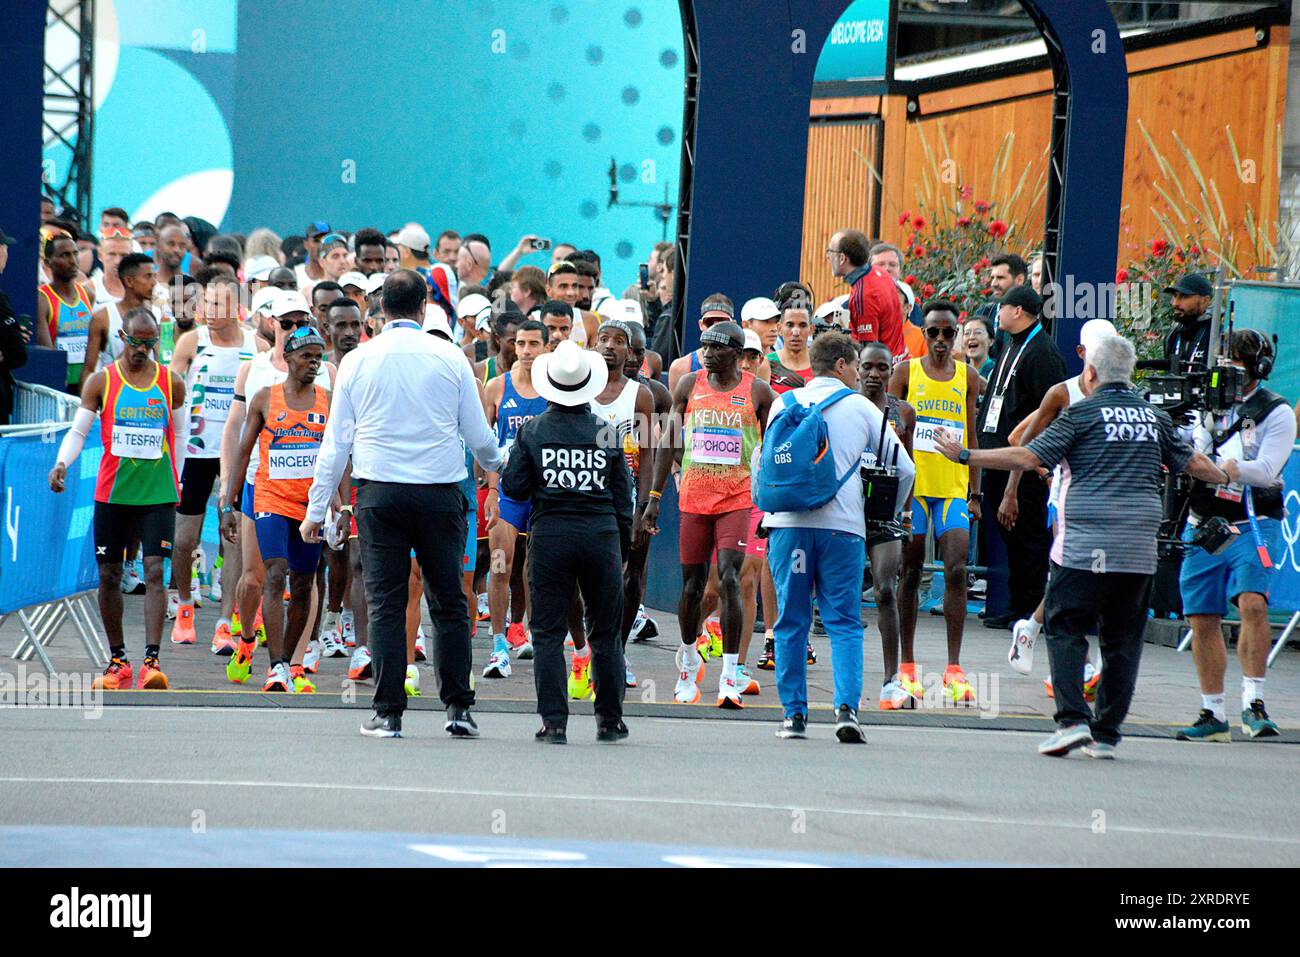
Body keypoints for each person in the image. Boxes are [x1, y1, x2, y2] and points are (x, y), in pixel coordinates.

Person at [933, 335, 1228, 758]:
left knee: (1067, 627)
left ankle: (1072, 721)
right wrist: (1231, 479)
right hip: (1138, 550)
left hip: (1085, 546)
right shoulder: (1156, 418)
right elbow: (1195, 464)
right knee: (1123, 641)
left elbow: (1027, 457)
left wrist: (965, 456)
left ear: (1089, 374)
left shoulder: (1081, 415)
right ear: (1130, 374)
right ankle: (1106, 733)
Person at [303, 270, 505, 739]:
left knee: (387, 602)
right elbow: (479, 440)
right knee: (450, 601)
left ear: (379, 312)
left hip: (379, 496)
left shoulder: (357, 361)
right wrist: (502, 464)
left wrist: (316, 511)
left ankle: (388, 712)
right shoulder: (451, 357)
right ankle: (457, 709)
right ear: (423, 308)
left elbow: (336, 444)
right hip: (439, 494)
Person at [762, 332, 914, 741]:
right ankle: (847, 711)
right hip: (843, 528)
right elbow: (906, 471)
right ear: (844, 365)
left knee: (791, 621)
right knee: (844, 621)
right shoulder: (862, 408)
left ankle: (794, 716)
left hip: (788, 526)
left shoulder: (784, 403)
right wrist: (886, 514)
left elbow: (767, 464)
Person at [498, 340, 634, 743]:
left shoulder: (533, 431)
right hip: (600, 535)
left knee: (547, 632)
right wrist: (621, 548)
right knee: (605, 632)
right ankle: (610, 721)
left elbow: (516, 489)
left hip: (551, 537)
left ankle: (554, 721)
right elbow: (622, 498)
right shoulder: (607, 433)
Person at [48, 307, 189, 690]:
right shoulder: (101, 381)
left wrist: (177, 480)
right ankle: (117, 660)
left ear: (155, 342)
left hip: (158, 493)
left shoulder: (170, 382)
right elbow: (78, 432)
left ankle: (152, 661)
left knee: (156, 572)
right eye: (134, 341)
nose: (141, 349)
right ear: (122, 338)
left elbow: (179, 434)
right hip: (113, 493)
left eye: (148, 343)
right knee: (109, 575)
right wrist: (62, 463)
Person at [642, 320, 776, 709]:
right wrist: (654, 496)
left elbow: (771, 450)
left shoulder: (757, 391)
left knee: (731, 580)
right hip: (694, 500)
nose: (707, 353)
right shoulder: (688, 385)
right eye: (703, 346)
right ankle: (686, 661)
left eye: (716, 347)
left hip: (736, 500)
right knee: (693, 587)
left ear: (736, 352)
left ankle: (729, 676)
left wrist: (769, 498)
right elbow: (669, 441)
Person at [1176, 329, 1296, 742]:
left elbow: (1268, 470)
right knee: (1202, 616)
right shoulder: (1207, 406)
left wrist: (1226, 468)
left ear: (1258, 367)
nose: (1230, 368)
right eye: (1226, 359)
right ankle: (1212, 712)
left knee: (1252, 605)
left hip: (1252, 523)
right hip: (1204, 522)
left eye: (1239, 361)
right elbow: (1192, 450)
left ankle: (1253, 700)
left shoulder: (1276, 411)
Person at [220, 292, 335, 686]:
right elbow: (241, 450)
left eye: (319, 356)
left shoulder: (328, 400)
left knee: (304, 582)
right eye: (308, 356)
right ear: (288, 358)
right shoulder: (264, 398)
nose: (315, 363)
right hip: (268, 497)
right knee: (271, 576)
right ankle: (273, 664)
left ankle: (290, 661)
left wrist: (341, 505)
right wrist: (227, 503)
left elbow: (338, 456)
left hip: (310, 504)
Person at [1005, 318, 1118, 699]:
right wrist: (1043, 472)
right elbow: (1020, 439)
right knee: (1074, 580)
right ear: (1083, 354)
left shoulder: (1124, 392)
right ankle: (1074, 667)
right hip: (1068, 504)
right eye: (1099, 353)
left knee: (1094, 581)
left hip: (1111, 505)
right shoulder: (1063, 393)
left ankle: (1033, 630)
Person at [888, 299, 983, 704]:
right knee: (909, 571)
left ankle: (954, 668)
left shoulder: (969, 377)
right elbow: (888, 433)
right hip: (914, 491)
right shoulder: (905, 372)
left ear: (956, 334)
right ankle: (907, 666)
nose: (941, 341)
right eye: (933, 333)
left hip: (952, 489)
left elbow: (972, 436)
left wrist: (975, 493)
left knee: (957, 568)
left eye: (949, 332)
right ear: (923, 334)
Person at [167, 275, 266, 651]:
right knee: (184, 539)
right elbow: (171, 390)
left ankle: (226, 620)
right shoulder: (192, 341)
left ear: (237, 308)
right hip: (196, 451)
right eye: (206, 304)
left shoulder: (255, 346)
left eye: (220, 305)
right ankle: (186, 605)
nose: (210, 312)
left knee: (234, 541)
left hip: (238, 454)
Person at [975, 285, 1066, 629]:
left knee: (1028, 536)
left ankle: (1028, 612)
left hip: (1025, 462)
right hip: (999, 455)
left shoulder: (1042, 353)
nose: (997, 314)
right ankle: (1016, 606)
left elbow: (1048, 416)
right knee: (1010, 535)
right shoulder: (1009, 344)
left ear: (1018, 311)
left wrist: (1021, 475)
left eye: (1002, 308)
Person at [481, 318, 550, 676]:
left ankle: (534, 637)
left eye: (533, 344)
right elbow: (488, 444)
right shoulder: (496, 387)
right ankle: (497, 645)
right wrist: (492, 490)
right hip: (507, 491)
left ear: (546, 348)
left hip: (542, 491)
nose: (525, 351)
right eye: (521, 344)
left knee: (535, 568)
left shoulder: (555, 389)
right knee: (499, 564)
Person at [588, 318, 655, 688]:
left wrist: (644, 505)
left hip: (626, 501)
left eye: (618, 341)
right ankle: (592, 652)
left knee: (630, 581)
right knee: (593, 582)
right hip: (585, 498)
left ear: (630, 352)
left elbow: (646, 454)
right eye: (604, 339)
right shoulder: (579, 389)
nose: (610, 346)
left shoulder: (639, 395)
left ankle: (618, 651)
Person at [859, 343, 916, 709]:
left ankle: (890, 680)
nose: (875, 374)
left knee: (884, 590)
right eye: (868, 367)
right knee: (835, 591)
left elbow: (909, 463)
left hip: (886, 512)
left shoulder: (903, 411)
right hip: (846, 511)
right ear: (857, 368)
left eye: (882, 367)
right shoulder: (846, 404)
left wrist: (906, 513)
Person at [828, 229, 906, 359]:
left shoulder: (863, 295)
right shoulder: (878, 273)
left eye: (830, 252)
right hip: (896, 361)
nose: (828, 257)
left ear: (842, 258)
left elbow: (869, 352)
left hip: (885, 369)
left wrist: (841, 337)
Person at [35, 233, 95, 393]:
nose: (73, 260)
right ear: (48, 262)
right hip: (59, 384)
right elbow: (47, 352)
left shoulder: (88, 294)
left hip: (85, 381)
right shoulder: (42, 298)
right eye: (65, 255)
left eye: (75, 253)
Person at [667, 294, 737, 391]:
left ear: (732, 324)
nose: (715, 329)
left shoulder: (744, 364)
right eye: (709, 322)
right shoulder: (681, 367)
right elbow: (675, 404)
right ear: (701, 325)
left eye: (722, 323)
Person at [1162, 273, 1213, 373]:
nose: (1175, 303)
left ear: (1205, 300)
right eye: (1175, 296)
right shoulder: (1172, 336)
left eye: (1184, 296)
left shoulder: (1218, 335)